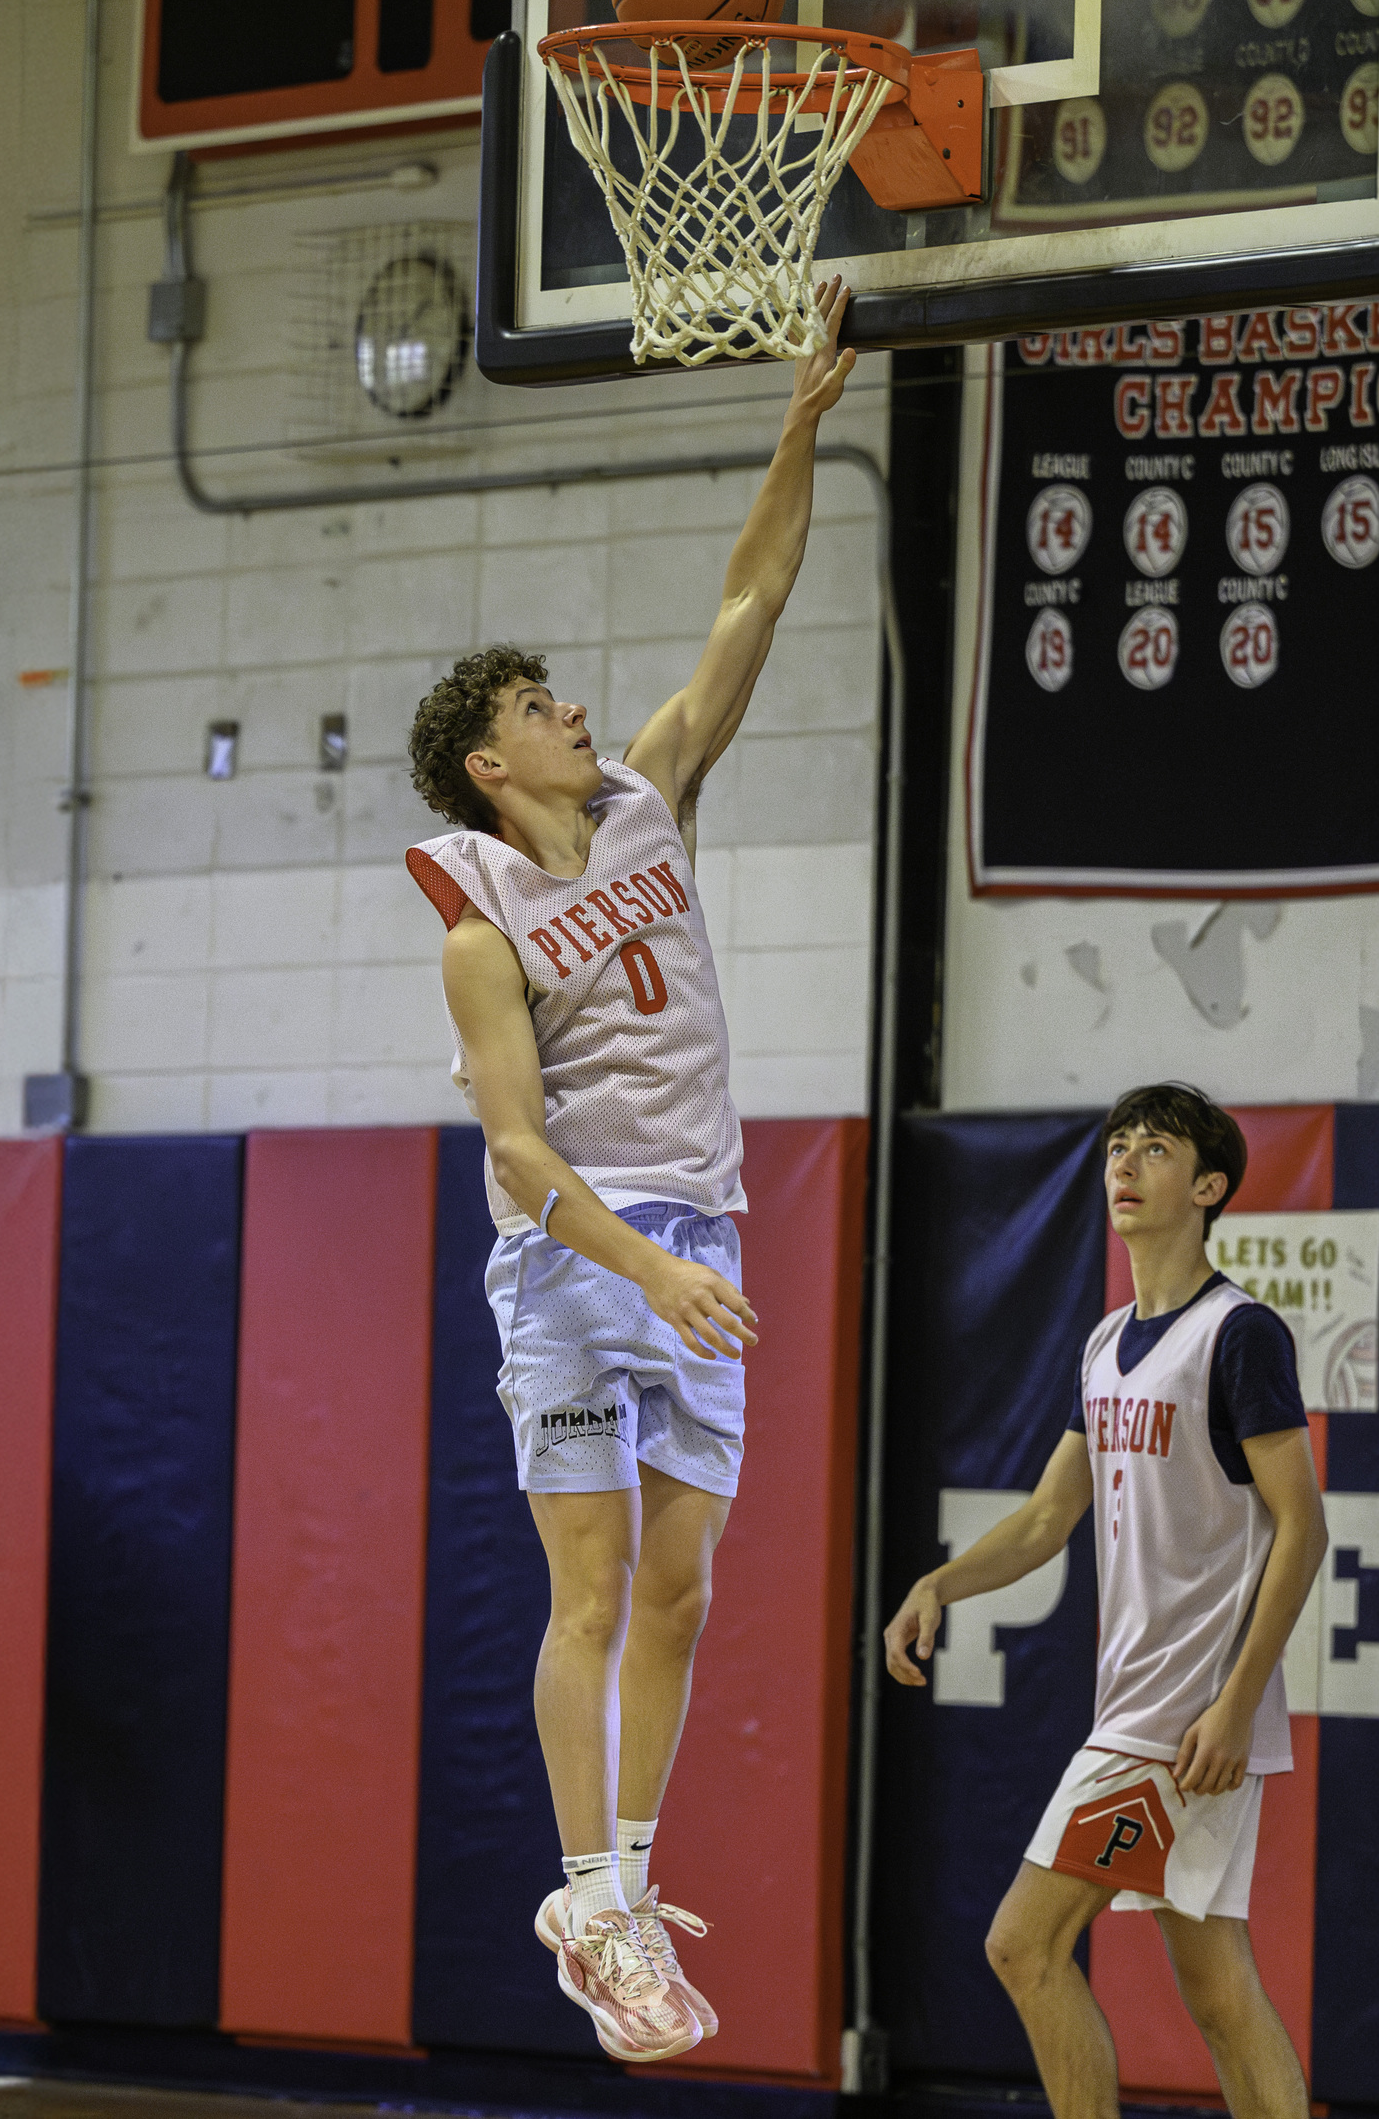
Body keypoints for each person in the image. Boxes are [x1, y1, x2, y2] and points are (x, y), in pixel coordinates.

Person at [403, 282, 854, 2063]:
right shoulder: (478, 917)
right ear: (485, 766)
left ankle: (631, 1891)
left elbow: (749, 603)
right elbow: (515, 1150)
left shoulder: (656, 798)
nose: (574, 705)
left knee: (686, 1590)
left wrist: (801, 422)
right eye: (535, 701)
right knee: (592, 1589)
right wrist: (642, 1268)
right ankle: (584, 1886)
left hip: (699, 1234)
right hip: (586, 1256)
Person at [884, 1083, 1329, 2119]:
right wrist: (940, 1580)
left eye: (1157, 1149)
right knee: (1220, 1990)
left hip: (1177, 1721)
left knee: (1022, 1942)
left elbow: (1302, 1527)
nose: (1126, 1164)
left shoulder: (1240, 1332)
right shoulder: (1102, 1343)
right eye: (1118, 1146)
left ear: (1209, 1184)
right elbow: (1048, 1516)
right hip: (1150, 1713)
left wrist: (1234, 1700)